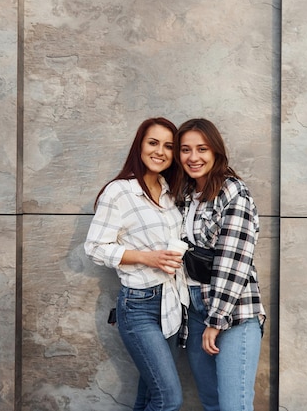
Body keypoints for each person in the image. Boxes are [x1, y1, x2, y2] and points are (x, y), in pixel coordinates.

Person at [84, 117, 189, 411]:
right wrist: (147, 257)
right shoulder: (120, 192)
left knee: (150, 397)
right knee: (169, 399)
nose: (160, 151)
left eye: (169, 146)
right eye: (153, 143)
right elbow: (94, 247)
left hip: (171, 304)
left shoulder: (172, 192)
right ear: (140, 146)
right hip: (139, 305)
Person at [172, 118, 266, 411]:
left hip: (233, 311)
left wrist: (216, 319)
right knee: (211, 402)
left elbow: (234, 260)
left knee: (233, 405)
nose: (193, 157)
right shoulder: (185, 195)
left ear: (215, 152)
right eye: (185, 150)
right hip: (194, 310)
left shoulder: (233, 192)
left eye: (202, 149)